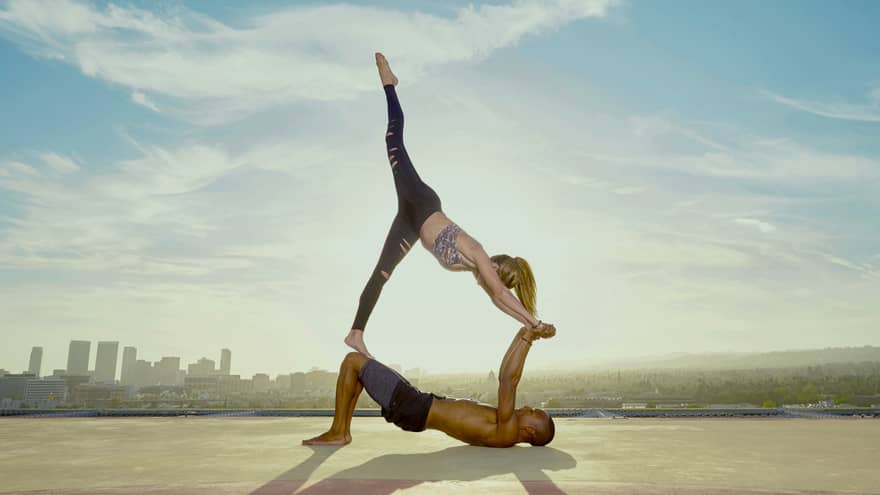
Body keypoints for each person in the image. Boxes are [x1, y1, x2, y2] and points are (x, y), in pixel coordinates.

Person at [344, 52, 554, 359]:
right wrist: (535, 321)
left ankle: (355, 333)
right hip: (422, 202)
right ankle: (389, 85)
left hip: (410, 222)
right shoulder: (478, 252)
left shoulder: (477, 273)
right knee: (393, 141)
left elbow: (498, 298)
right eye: (496, 276)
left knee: (382, 273)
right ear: (495, 266)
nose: (490, 280)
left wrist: (528, 325)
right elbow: (500, 292)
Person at [305, 322, 556, 448]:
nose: (529, 407)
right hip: (419, 402)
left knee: (353, 361)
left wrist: (529, 338)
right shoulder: (506, 426)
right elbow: (504, 374)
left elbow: (507, 382)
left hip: (415, 407)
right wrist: (523, 331)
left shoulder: (508, 431)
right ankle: (342, 431)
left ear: (531, 432)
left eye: (534, 413)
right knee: (362, 367)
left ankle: (339, 431)